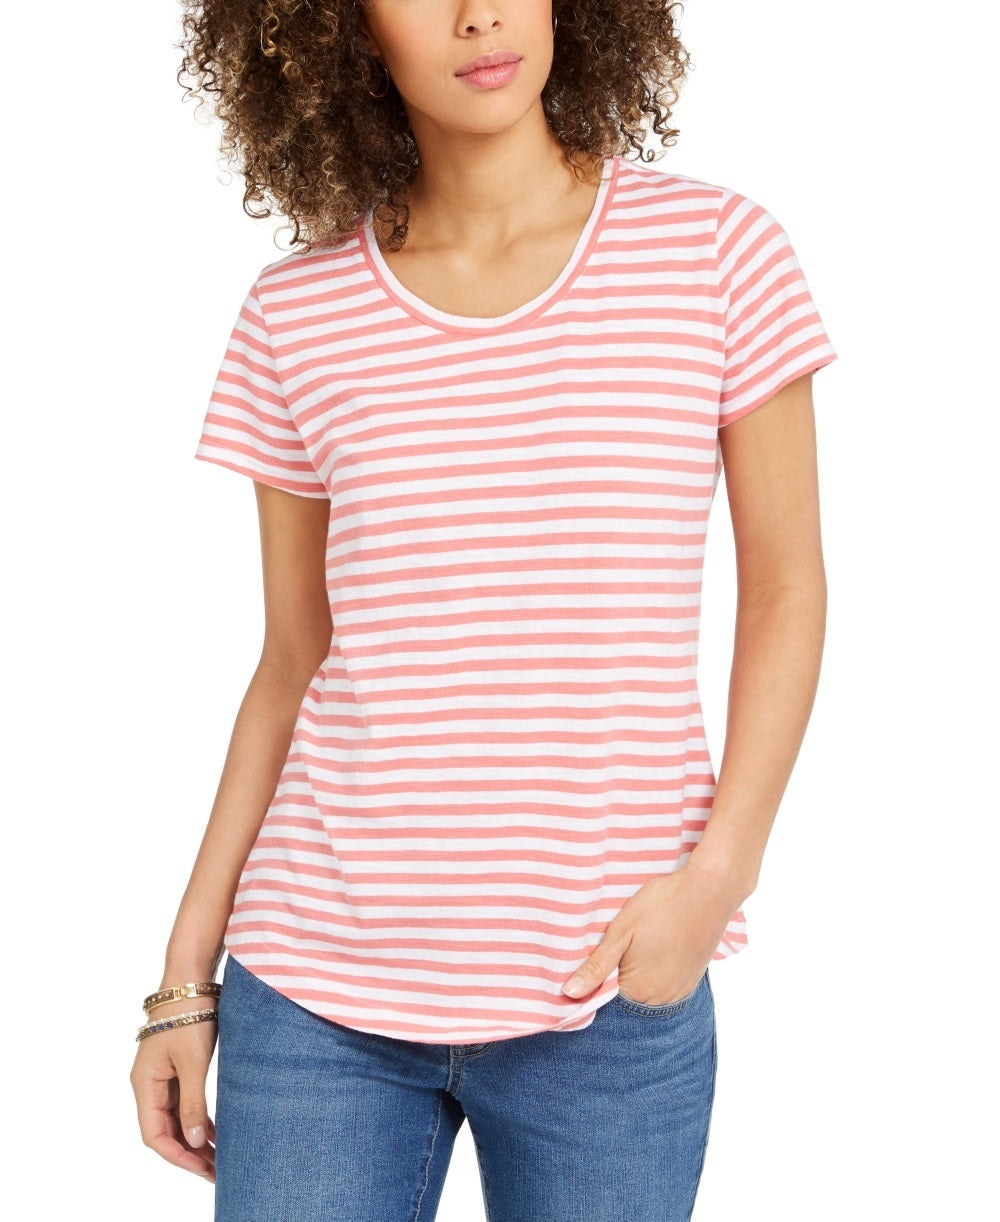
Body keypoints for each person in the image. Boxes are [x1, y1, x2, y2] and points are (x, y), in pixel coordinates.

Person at [130, 2, 837, 1218]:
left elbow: (786, 586)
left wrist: (718, 877)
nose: (478, 15)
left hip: (609, 984)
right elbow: (293, 658)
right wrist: (184, 978)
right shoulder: (298, 310)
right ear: (341, 28)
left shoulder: (715, 251)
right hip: (317, 992)